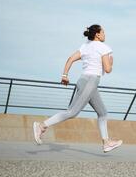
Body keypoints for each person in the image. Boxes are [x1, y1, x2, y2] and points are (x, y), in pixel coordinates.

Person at [33, 24, 123, 153]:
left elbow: (70, 59)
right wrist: (111, 63)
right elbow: (108, 69)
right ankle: (41, 126)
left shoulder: (85, 46)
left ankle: (106, 142)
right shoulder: (104, 48)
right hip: (91, 81)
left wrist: (65, 75)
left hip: (84, 81)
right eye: (103, 32)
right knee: (72, 112)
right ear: (97, 34)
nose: (104, 34)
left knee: (102, 112)